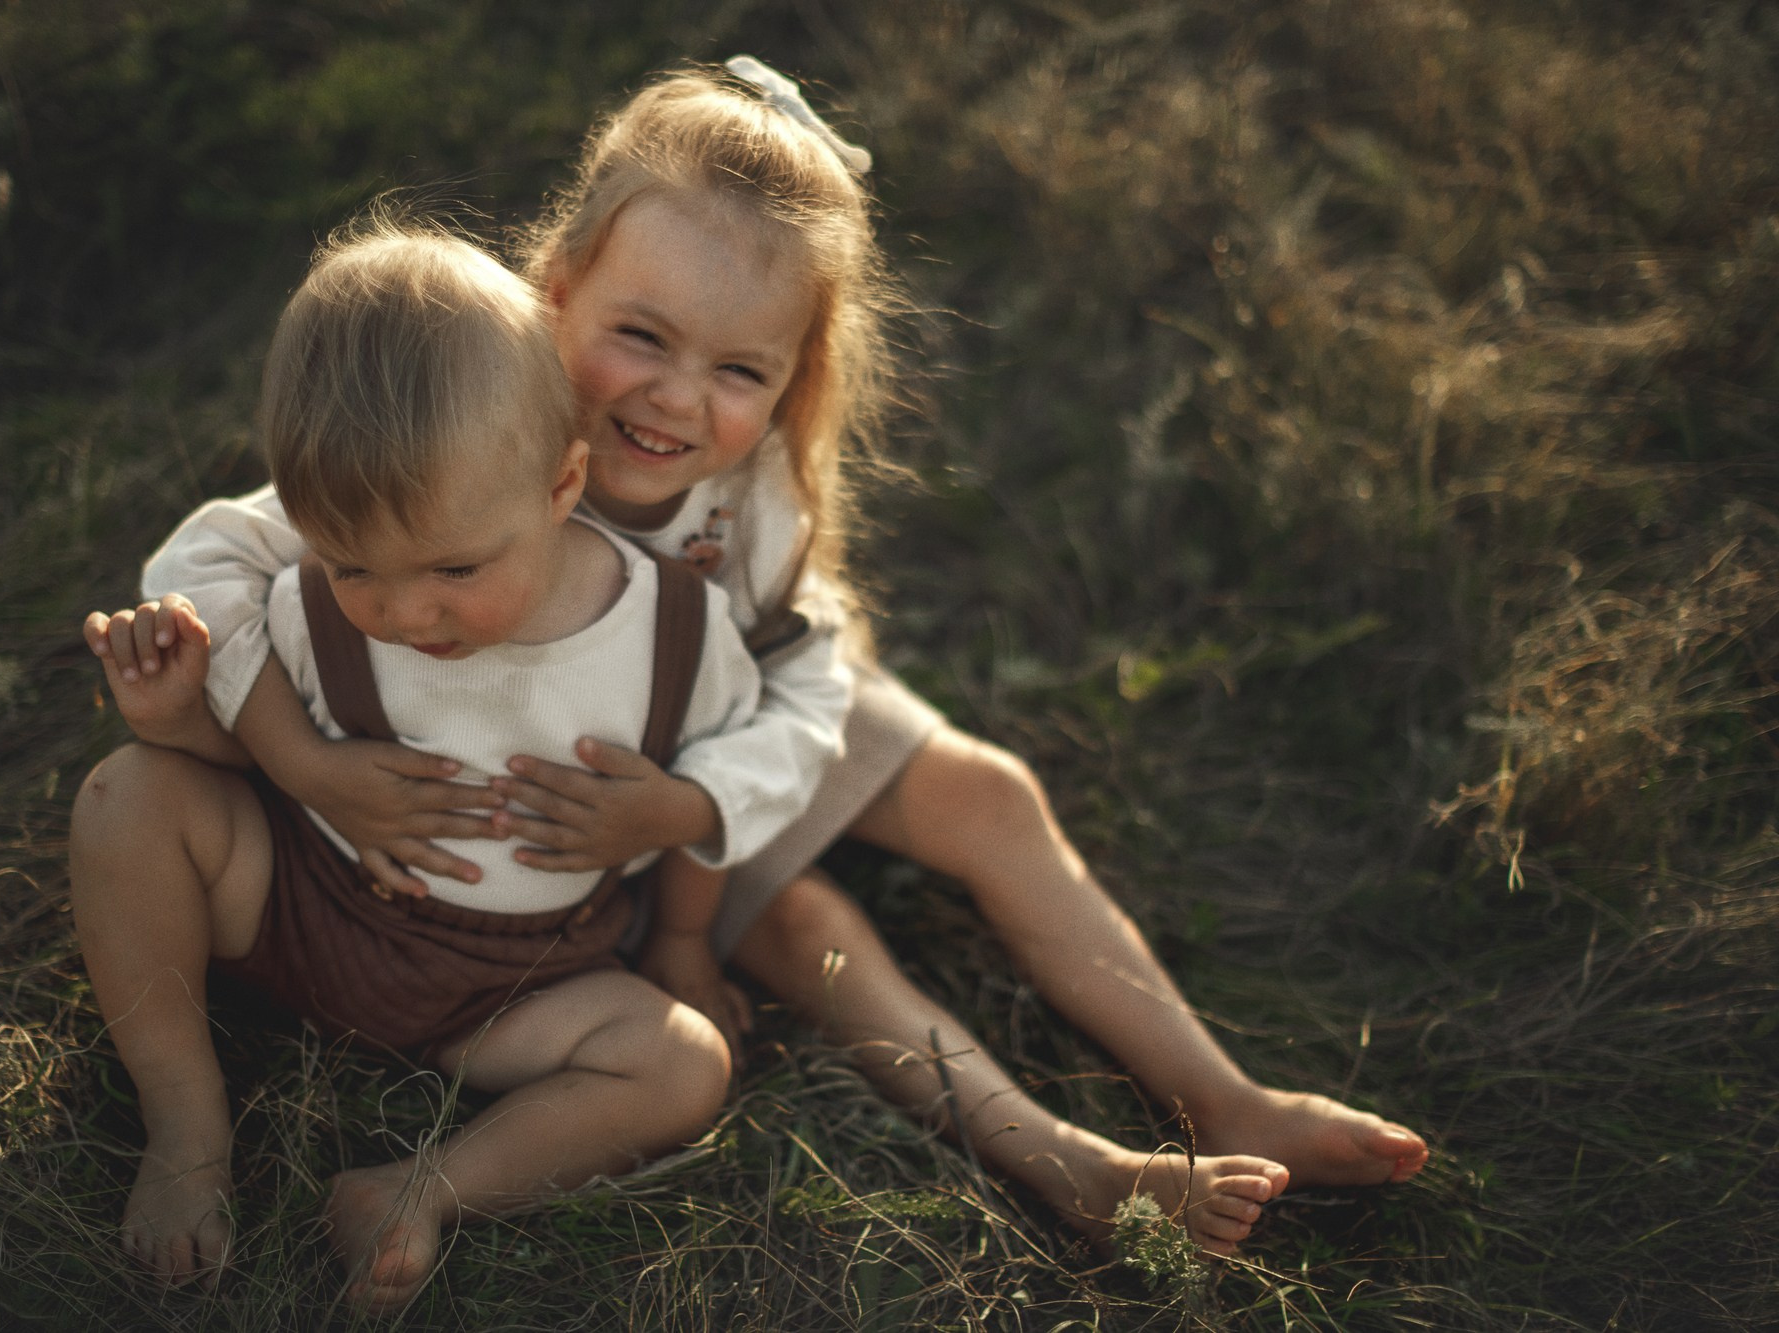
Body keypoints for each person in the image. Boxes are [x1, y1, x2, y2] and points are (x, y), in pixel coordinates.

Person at [139, 60, 1425, 1258]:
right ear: (555, 287)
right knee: (811, 918)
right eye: (640, 336)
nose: (678, 401)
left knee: (993, 795)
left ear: (792, 376)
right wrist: (301, 752)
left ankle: (1222, 1092)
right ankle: (1066, 1160)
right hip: (589, 764)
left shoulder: (750, 495)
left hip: (724, 720)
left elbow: (802, 678)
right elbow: (231, 552)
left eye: (738, 368)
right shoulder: (471, 418)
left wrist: (703, 799)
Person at [70, 220, 766, 1308]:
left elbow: (715, 784)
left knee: (681, 1062)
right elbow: (234, 739)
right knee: (126, 798)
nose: (402, 612)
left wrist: (680, 935)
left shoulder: (671, 633)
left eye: (452, 566)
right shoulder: (303, 606)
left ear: (561, 485)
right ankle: (187, 1122)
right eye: (354, 566)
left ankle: (421, 1187)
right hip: (304, 903)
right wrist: (198, 730)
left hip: (521, 986)